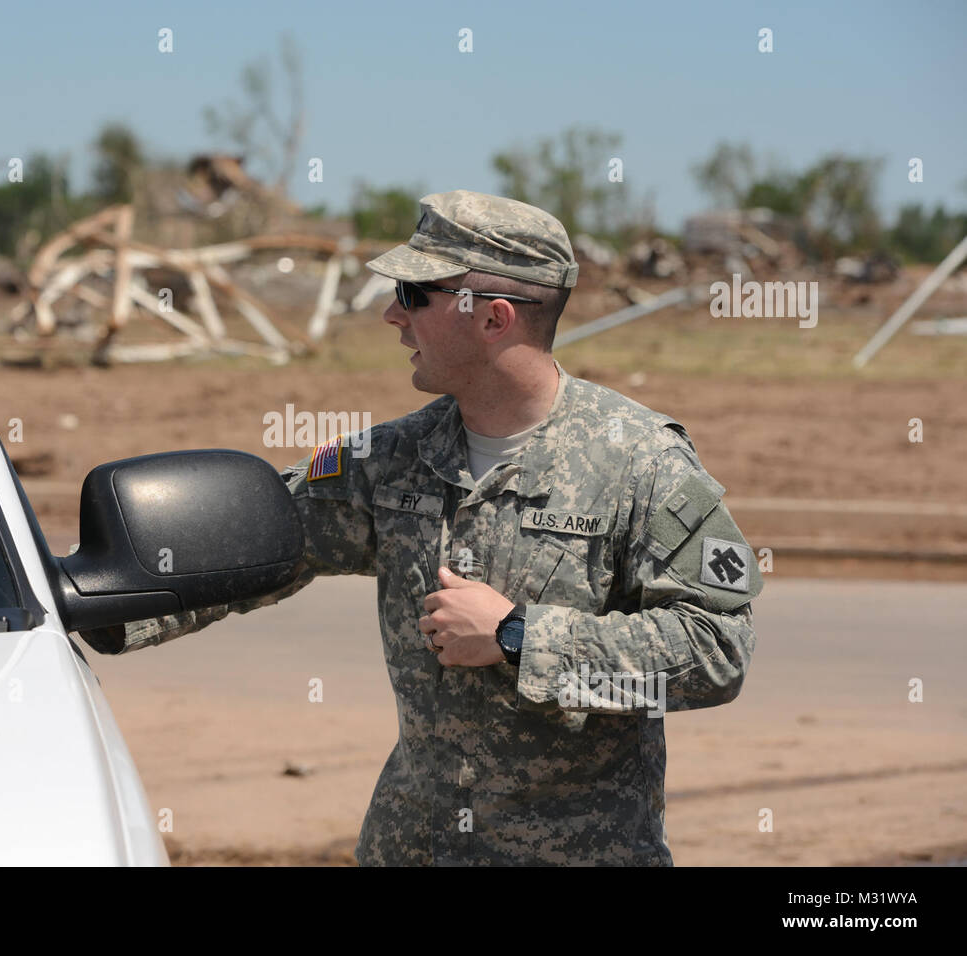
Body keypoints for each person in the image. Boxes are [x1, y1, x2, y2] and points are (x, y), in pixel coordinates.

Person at [116, 190, 762, 866]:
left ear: (493, 318)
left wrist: (519, 636)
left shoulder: (642, 463)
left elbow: (716, 650)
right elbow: (252, 544)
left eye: (414, 293)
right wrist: (87, 600)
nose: (393, 314)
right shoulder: (389, 460)